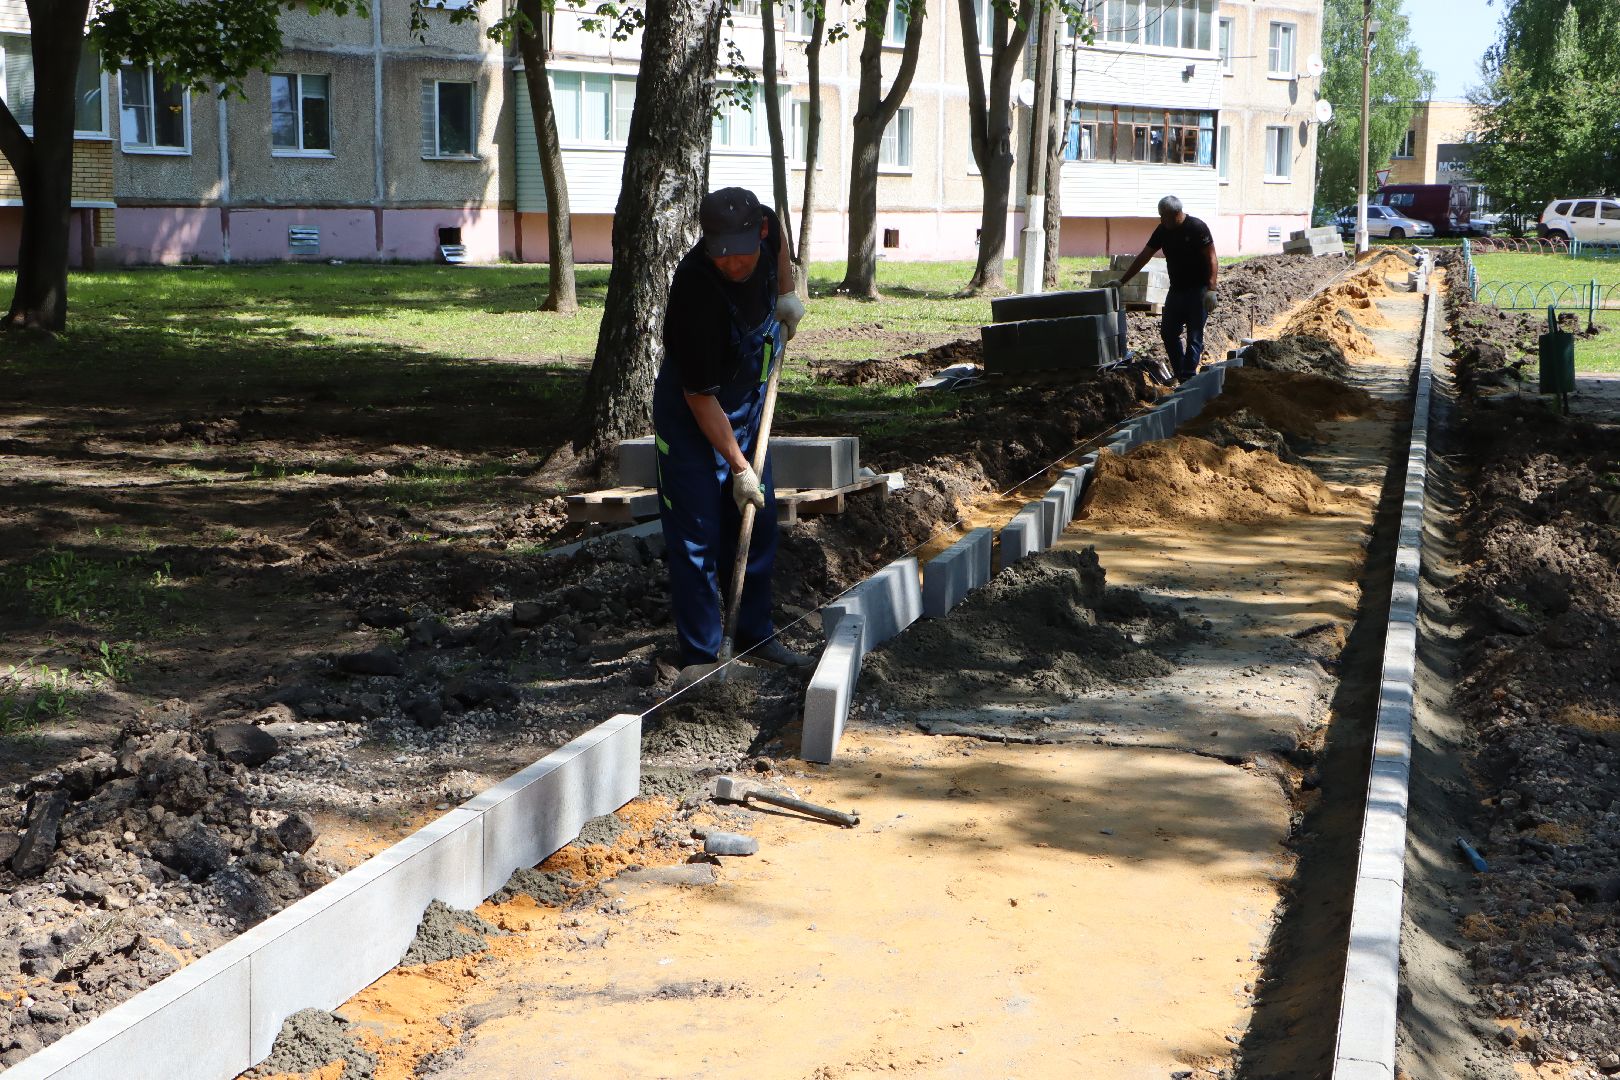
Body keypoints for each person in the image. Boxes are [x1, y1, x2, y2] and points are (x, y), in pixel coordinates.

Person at [651, 187, 811, 671]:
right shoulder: (695, 293)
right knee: (696, 535)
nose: (734, 265)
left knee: (758, 524)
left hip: (748, 404)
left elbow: (780, 248)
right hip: (692, 418)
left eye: (742, 255)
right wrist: (739, 467)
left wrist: (785, 295)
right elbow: (699, 397)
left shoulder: (766, 226)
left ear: (758, 233)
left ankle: (754, 636)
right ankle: (702, 656)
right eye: (722, 256)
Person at [1117, 195, 1219, 383]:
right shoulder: (1163, 230)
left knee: (1194, 335)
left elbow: (1211, 257)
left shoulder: (1197, 228)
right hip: (1176, 290)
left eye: (1163, 217)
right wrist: (1121, 281)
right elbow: (1144, 256)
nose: (1161, 220)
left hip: (1199, 290)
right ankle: (1182, 374)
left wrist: (1212, 289)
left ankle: (1187, 376)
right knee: (1168, 332)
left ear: (1175, 214)